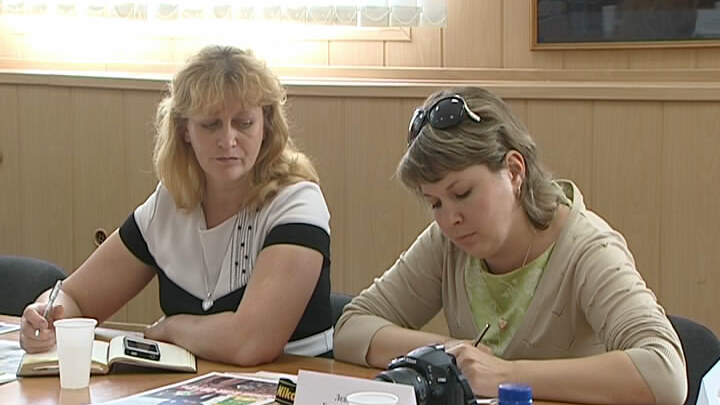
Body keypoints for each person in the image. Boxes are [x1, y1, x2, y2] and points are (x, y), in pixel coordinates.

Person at [334, 87, 686, 405]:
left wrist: (506, 374)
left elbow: (664, 372)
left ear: (515, 171)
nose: (450, 218)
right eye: (435, 203)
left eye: (463, 193)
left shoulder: (587, 249)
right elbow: (352, 327)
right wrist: (449, 355)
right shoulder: (448, 243)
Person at [20, 45, 333, 365]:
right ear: (185, 130)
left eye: (244, 123)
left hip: (292, 385)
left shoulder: (297, 202)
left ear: (265, 126)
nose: (228, 140)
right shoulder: (170, 203)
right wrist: (45, 316)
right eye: (210, 124)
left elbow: (249, 342)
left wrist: (172, 327)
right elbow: (75, 298)